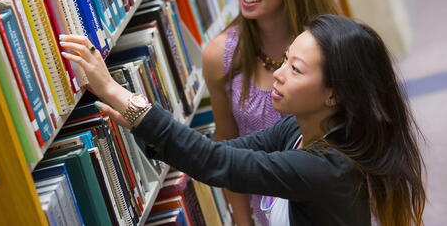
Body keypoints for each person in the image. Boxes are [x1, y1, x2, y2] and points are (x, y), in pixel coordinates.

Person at [60, 14, 426, 226]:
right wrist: (139, 120)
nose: (278, 74)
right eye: (284, 59)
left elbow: (219, 164)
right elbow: (220, 153)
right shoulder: (300, 128)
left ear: (334, 94)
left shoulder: (329, 168)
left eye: (296, 69)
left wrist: (115, 91)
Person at [202, 0, 339, 225]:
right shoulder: (219, 56)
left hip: (331, 202)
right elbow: (226, 143)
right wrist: (242, 219)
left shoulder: (329, 43)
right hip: (267, 211)